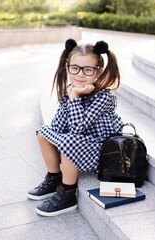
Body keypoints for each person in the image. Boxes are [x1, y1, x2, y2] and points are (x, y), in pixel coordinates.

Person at [27, 38, 123, 217]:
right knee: (44, 133)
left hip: (102, 150)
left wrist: (75, 99)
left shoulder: (104, 96)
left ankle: (68, 193)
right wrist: (71, 96)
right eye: (75, 68)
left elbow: (78, 129)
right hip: (83, 144)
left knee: (68, 142)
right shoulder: (71, 90)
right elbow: (57, 126)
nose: (80, 74)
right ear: (67, 67)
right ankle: (54, 178)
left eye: (87, 70)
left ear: (98, 72)